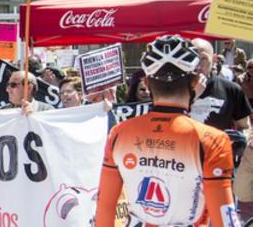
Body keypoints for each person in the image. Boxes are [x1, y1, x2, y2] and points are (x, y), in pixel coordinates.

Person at [95, 35, 238, 227]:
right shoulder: (213, 140)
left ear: (145, 82)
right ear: (196, 81)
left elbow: (105, 206)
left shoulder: (119, 132)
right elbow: (224, 218)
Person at [190, 38, 252, 132]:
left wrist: (240, 142)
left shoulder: (232, 90)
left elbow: (244, 127)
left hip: (220, 145)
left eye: (203, 58)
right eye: (192, 57)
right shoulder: (175, 88)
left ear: (214, 59)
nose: (197, 65)